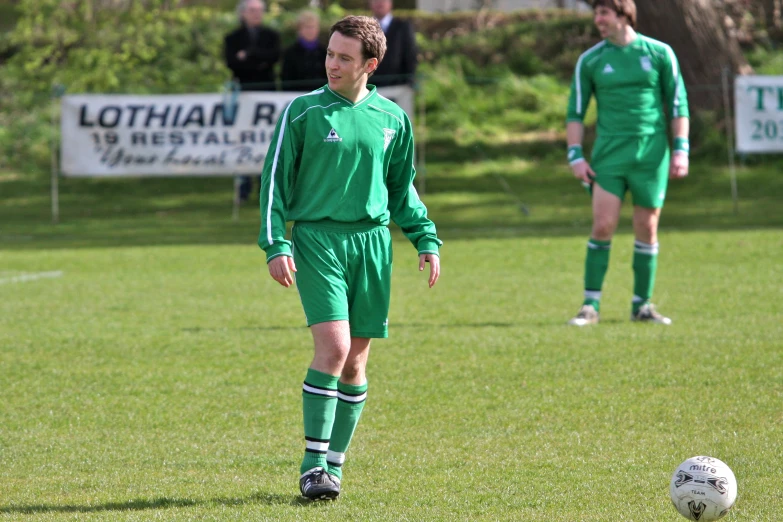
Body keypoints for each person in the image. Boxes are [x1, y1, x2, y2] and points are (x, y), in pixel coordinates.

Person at [257, 15, 441, 500]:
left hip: (374, 246)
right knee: (334, 349)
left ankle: (332, 468)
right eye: (329, 54)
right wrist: (276, 243)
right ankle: (312, 465)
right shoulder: (303, 112)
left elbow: (402, 189)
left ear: (371, 65)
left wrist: (425, 236)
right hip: (317, 241)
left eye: (344, 57)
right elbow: (273, 182)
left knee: (357, 364)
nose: (331, 64)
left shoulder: (392, 119)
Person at [565, 0, 689, 326]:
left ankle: (642, 306)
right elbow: (575, 112)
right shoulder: (590, 60)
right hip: (608, 156)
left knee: (647, 228)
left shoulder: (660, 53)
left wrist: (681, 150)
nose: (598, 20)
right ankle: (590, 305)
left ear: (623, 15)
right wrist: (575, 154)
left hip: (651, 156)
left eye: (603, 13)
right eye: (596, 13)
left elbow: (678, 104)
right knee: (603, 224)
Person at [224, 0, 281, 201]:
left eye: (259, 10)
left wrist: (248, 55)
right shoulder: (232, 38)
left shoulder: (271, 36)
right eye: (252, 10)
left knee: (266, 140)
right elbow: (233, 64)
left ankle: (264, 185)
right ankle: (244, 186)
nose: (257, 14)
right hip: (243, 96)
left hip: (267, 96)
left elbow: (273, 58)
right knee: (244, 139)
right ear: (243, 13)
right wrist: (258, 62)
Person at [369, 0, 417, 87]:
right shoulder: (365, 29)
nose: (379, 2)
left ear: (390, 2)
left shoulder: (403, 27)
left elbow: (410, 55)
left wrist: (408, 81)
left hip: (397, 86)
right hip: (370, 87)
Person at [281, 11, 328, 92]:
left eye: (313, 27)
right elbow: (286, 80)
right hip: (297, 96)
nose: (310, 30)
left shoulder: (325, 52)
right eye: (307, 27)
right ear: (299, 30)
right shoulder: (290, 52)